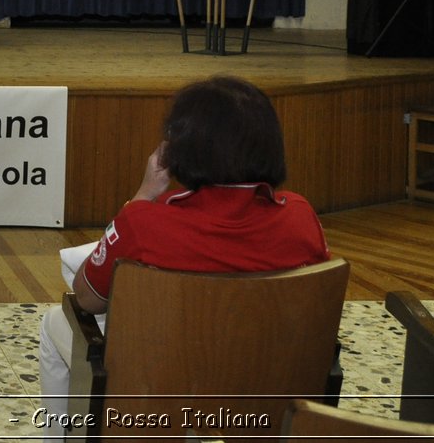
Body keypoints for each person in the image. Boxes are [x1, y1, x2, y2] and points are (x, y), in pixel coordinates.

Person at [37, 76, 330, 438]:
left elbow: (87, 299)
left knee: (55, 323)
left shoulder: (144, 222)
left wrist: (144, 193)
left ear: (179, 148)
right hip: (268, 388)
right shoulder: (301, 216)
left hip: (163, 391)